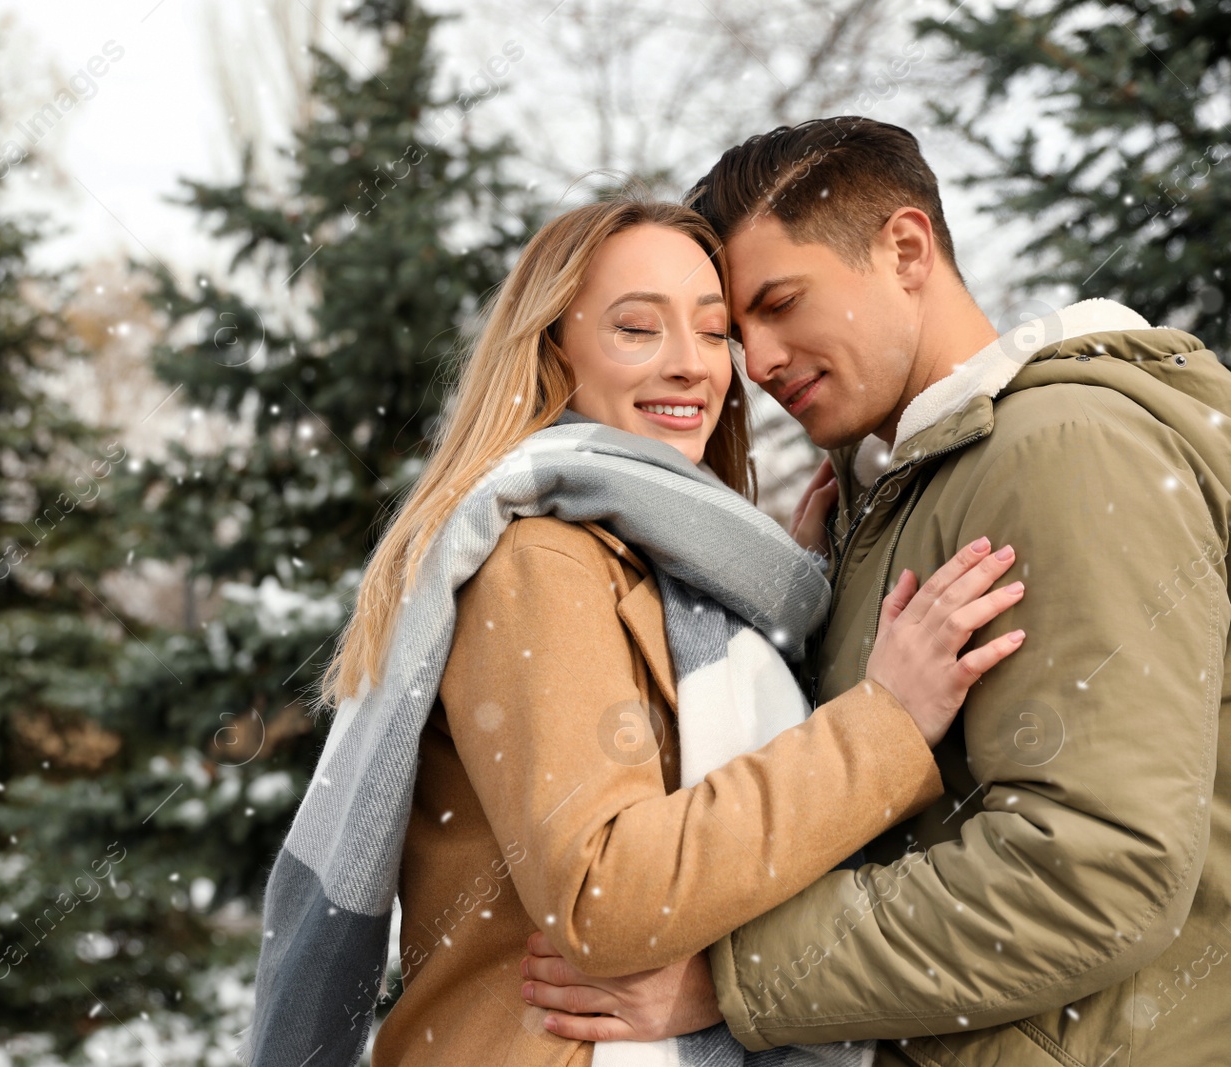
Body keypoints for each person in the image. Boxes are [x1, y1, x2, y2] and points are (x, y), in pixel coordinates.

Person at [244, 193, 1028, 1067]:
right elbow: (603, 893)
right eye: (637, 329)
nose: (693, 365)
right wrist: (884, 726)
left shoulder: (669, 576)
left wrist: (770, 611)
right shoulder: (542, 559)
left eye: (710, 329)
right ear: (554, 352)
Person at [518, 117, 1231, 1067]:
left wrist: (726, 981)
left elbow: (1093, 868)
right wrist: (795, 606)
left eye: (781, 303)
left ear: (905, 249)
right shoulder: (898, 487)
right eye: (744, 329)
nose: (757, 363)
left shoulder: (1063, 449)